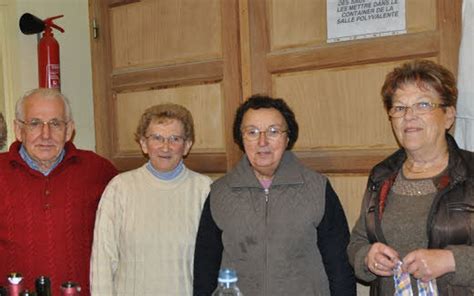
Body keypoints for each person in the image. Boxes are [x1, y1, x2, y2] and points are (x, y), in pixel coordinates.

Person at [193, 95, 356, 296]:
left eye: (273, 131)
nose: (262, 141)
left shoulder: (317, 189)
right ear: (240, 139)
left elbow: (340, 266)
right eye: (252, 132)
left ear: (288, 138)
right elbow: (205, 269)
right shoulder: (220, 193)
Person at [347, 60, 474, 295]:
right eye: (399, 108)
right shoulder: (381, 175)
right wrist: (368, 258)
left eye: (423, 105)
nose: (409, 116)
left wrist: (451, 261)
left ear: (448, 116)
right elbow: (357, 242)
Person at [0, 88, 117, 295]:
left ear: (69, 129)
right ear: (19, 130)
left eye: (55, 124)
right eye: (35, 123)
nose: (46, 135)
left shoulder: (98, 170)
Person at [90, 103, 212, 295]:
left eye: (175, 138)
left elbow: (213, 261)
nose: (166, 147)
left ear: (187, 145)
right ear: (143, 144)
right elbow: (102, 262)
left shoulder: (204, 190)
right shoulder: (120, 188)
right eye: (157, 138)